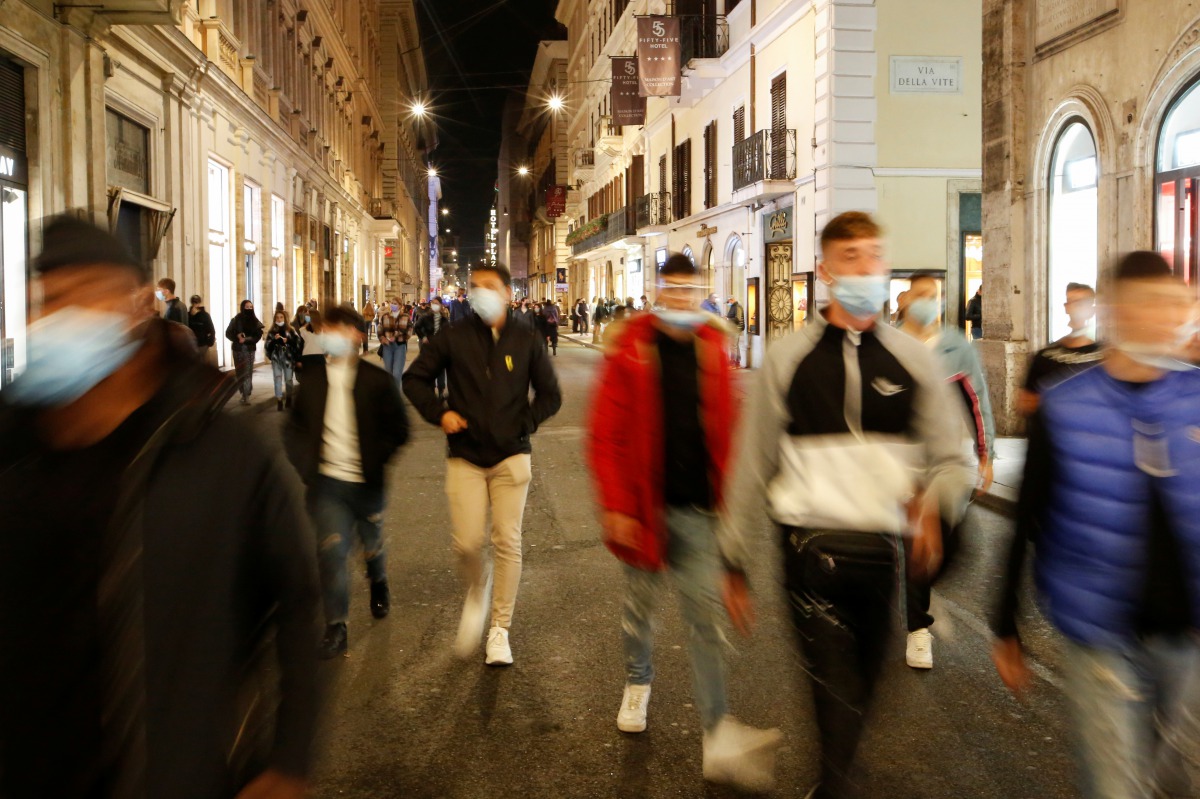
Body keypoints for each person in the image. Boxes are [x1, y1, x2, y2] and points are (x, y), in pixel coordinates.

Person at [0, 215, 320, 798]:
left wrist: (289, 754)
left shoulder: (221, 451)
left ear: (135, 306)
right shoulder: (15, 446)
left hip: (176, 773)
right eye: (47, 300)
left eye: (82, 295)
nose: (58, 317)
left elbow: (296, 600)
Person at [721, 212, 965, 799]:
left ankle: (831, 784)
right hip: (808, 549)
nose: (865, 268)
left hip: (881, 552)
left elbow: (953, 456)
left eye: (874, 256)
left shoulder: (914, 358)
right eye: (851, 257)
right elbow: (751, 461)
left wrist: (935, 503)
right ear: (827, 272)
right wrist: (733, 558)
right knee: (833, 693)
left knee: (866, 691)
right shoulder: (788, 357)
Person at [992, 251, 1200, 799]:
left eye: (1175, 307)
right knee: (1114, 787)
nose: (1169, 320)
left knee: (1183, 781)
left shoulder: (1195, 397)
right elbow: (1028, 510)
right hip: (1100, 633)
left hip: (1188, 635)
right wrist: (1004, 622)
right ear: (1119, 313)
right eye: (1154, 306)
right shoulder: (1066, 405)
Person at [587, 254, 783, 792]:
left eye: (688, 288)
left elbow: (729, 431)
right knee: (639, 608)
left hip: (699, 510)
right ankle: (637, 681)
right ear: (658, 290)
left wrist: (736, 505)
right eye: (670, 288)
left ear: (700, 290)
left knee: (705, 623)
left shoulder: (714, 348)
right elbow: (605, 434)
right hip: (645, 508)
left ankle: (717, 733)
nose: (679, 297)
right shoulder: (630, 346)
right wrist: (617, 505)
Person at [404, 262, 562, 666]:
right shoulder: (453, 336)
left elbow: (550, 395)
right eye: (474, 287)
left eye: (488, 287)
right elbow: (415, 379)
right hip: (467, 456)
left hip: (512, 456)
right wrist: (440, 413)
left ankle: (499, 630)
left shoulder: (527, 337)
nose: (479, 293)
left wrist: (523, 424)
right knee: (468, 543)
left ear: (508, 294)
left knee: (507, 542)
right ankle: (478, 587)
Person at [285, 305, 409, 659]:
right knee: (331, 552)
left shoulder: (377, 381)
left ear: (355, 335)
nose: (329, 337)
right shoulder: (312, 382)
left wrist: (375, 460)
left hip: (366, 484)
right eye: (326, 331)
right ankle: (336, 625)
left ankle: (379, 581)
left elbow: (399, 430)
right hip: (327, 486)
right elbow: (293, 430)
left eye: (337, 330)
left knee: (371, 544)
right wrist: (308, 468)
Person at [897, 273, 996, 669]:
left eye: (934, 296)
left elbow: (978, 399)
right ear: (904, 300)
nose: (928, 303)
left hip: (946, 463)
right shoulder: (890, 345)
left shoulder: (956, 346)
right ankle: (917, 628)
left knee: (953, 545)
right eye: (921, 296)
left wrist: (986, 455)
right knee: (912, 543)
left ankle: (917, 588)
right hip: (902, 462)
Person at [1018, 282, 1103, 417]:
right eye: (1071, 301)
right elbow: (1028, 403)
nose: (1076, 307)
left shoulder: (1103, 358)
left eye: (1081, 303)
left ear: (1092, 310)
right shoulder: (1046, 356)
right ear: (1066, 307)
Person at [226, 299, 264, 405]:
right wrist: (237, 337)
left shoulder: (255, 321)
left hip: (249, 350)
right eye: (247, 307)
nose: (249, 309)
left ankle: (246, 394)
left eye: (251, 307)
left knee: (247, 372)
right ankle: (243, 391)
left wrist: (246, 339)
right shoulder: (236, 319)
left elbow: (258, 335)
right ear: (242, 307)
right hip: (237, 350)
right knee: (239, 372)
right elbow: (228, 333)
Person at [266, 309, 302, 412]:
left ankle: (289, 397)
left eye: (281, 317)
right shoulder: (272, 331)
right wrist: (274, 341)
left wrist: (288, 341)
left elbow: (298, 343)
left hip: (288, 358)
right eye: (277, 317)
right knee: (277, 379)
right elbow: (267, 345)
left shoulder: (291, 330)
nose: (279, 319)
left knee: (288, 380)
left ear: (285, 318)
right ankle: (279, 400)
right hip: (276, 358)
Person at [414, 296, 450, 399]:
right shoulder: (425, 317)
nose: (434, 305)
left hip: (440, 347)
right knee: (429, 367)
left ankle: (441, 390)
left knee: (440, 368)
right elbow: (417, 327)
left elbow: (447, 333)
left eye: (437, 303)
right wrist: (423, 337)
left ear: (441, 305)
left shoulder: (444, 320)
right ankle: (430, 388)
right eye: (433, 303)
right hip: (428, 346)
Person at [377, 299, 410, 388]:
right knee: (388, 371)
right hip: (387, 346)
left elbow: (409, 330)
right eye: (392, 303)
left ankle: (396, 395)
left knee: (397, 372)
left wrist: (400, 337)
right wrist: (382, 338)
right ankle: (390, 393)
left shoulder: (405, 316)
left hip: (400, 346)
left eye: (395, 304)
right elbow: (380, 328)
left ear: (400, 305)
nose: (392, 305)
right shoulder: (385, 316)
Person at [297, 308, 324, 380]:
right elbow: (300, 346)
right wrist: (299, 360)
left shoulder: (324, 330)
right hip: (307, 357)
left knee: (318, 379)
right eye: (306, 315)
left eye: (308, 315)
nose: (306, 317)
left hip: (320, 357)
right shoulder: (303, 330)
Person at [187, 294, 216, 361]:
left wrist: (210, 342)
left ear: (199, 303)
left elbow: (211, 329)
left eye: (197, 302)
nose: (195, 304)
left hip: (202, 344)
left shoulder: (205, 315)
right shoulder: (188, 315)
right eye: (194, 302)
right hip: (191, 344)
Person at [726, 296, 745, 367]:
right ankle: (737, 361)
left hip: (736, 329)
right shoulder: (733, 306)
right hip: (733, 328)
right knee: (735, 345)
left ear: (732, 300)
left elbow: (737, 319)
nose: (728, 303)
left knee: (733, 346)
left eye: (728, 302)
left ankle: (733, 362)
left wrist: (727, 319)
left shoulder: (737, 307)